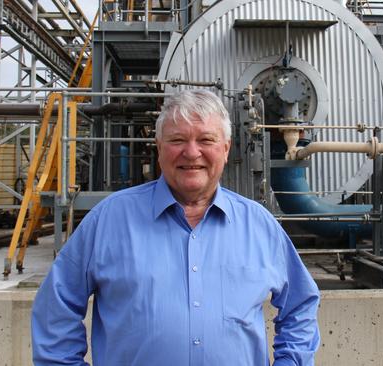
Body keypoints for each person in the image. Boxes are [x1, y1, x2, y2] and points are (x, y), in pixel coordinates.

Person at [31, 89, 320, 365]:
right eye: (177, 140)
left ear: (226, 149)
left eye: (206, 140)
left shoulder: (259, 225)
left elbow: (300, 305)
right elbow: (55, 309)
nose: (192, 153)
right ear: (159, 148)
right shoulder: (109, 220)